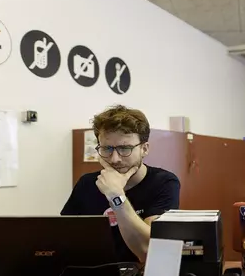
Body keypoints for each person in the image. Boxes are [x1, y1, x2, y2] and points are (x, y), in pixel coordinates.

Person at [61, 105, 180, 262]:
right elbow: (63, 240)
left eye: (125, 148)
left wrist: (116, 195)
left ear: (144, 149)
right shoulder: (87, 183)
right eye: (107, 148)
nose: (115, 159)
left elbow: (147, 251)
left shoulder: (164, 182)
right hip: (94, 274)